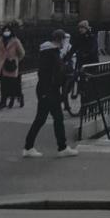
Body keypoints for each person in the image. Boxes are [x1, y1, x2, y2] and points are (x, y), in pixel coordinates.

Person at [22, 30, 78, 159]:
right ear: (60, 40)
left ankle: (28, 147)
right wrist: (67, 70)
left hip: (45, 90)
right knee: (57, 118)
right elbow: (56, 72)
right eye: (64, 40)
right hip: (49, 90)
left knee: (41, 119)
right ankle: (62, 147)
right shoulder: (51, 53)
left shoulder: (49, 51)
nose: (65, 42)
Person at [0, 26, 26, 109]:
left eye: (8, 30)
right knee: (3, 84)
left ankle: (17, 97)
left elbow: (22, 53)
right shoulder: (0, 40)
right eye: (5, 30)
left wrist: (15, 60)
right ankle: (3, 101)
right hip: (2, 65)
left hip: (11, 65)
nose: (6, 32)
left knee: (12, 84)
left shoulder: (15, 41)